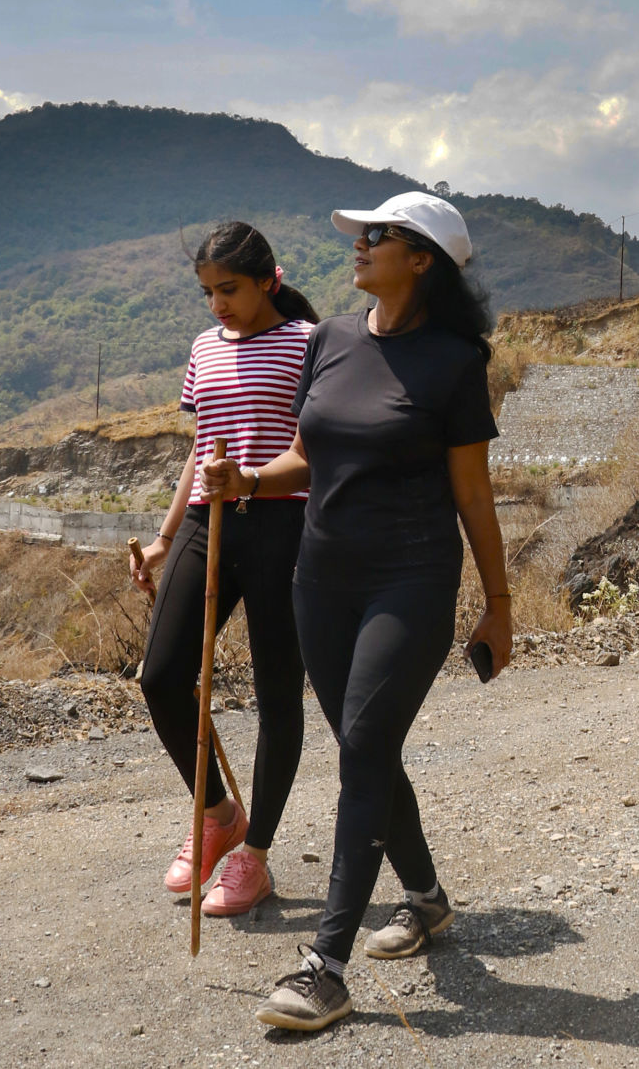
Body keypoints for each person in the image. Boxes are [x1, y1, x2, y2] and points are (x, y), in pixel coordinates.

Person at [202, 190, 511, 1034]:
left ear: (423, 260)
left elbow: (473, 492)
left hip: (410, 580)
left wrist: (499, 603)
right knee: (363, 746)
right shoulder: (332, 340)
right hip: (320, 578)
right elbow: (307, 452)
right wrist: (248, 481)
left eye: (379, 236)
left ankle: (325, 966)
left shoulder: (454, 360)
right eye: (362, 234)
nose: (360, 245)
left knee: (368, 743)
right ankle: (426, 898)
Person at [130, 223, 317, 916]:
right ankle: (216, 817)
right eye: (208, 293)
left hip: (283, 523)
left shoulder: (308, 345)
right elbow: (199, 447)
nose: (218, 306)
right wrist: (162, 536)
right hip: (209, 523)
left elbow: (313, 452)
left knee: (277, 695)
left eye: (229, 290)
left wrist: (252, 482)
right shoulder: (205, 349)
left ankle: (255, 855)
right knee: (161, 676)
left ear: (269, 278)